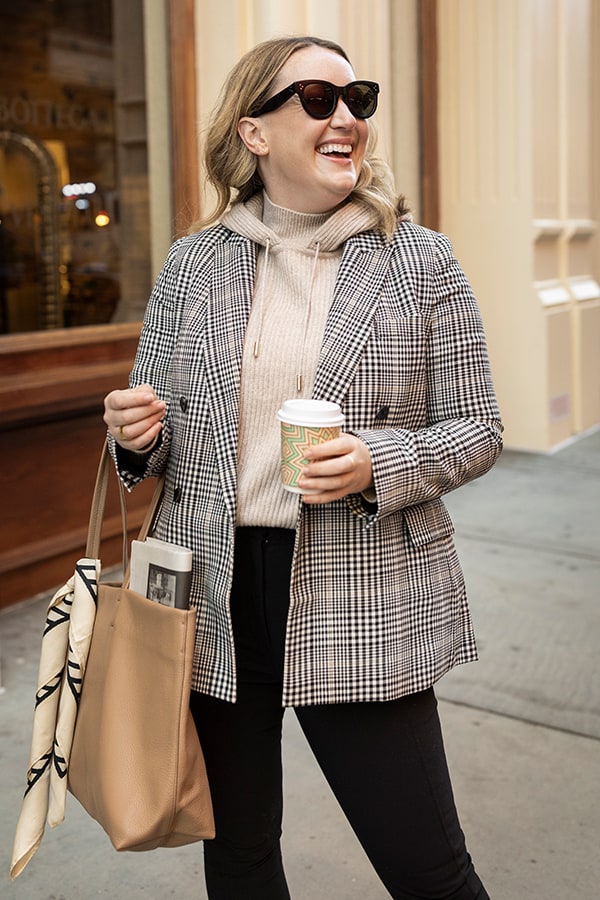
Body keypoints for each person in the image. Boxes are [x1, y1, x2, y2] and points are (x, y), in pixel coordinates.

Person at [103, 34, 501, 900]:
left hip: (361, 584)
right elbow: (161, 431)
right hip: (214, 588)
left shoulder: (418, 261)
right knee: (241, 857)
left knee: (428, 868)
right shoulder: (194, 262)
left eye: (357, 98)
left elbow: (478, 428)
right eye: (317, 100)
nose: (347, 117)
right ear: (254, 131)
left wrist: (376, 464)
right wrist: (136, 435)